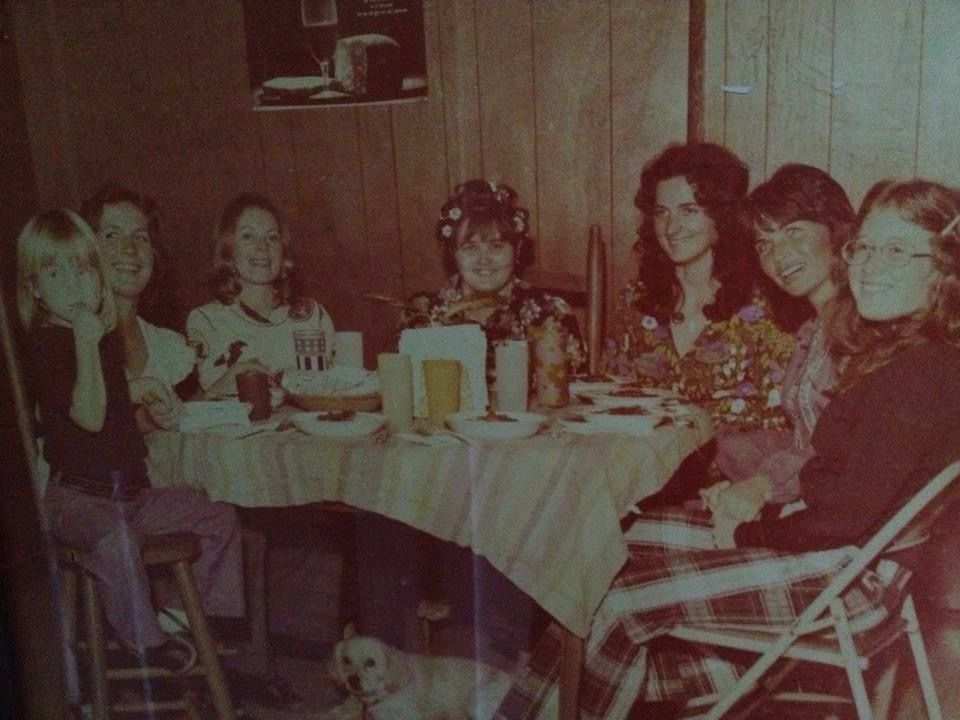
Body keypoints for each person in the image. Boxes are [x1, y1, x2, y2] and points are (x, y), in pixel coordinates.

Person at [493, 178, 960, 720]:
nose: (871, 267)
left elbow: (841, 520)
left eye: (898, 251)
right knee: (604, 545)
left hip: (850, 580)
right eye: (867, 248)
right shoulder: (897, 351)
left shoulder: (918, 374)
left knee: (618, 601)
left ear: (944, 269)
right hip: (839, 553)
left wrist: (747, 533)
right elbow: (840, 493)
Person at [15, 209, 245, 673]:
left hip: (131, 496)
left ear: (98, 276)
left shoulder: (98, 339)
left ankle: (183, 617)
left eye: (82, 269)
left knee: (216, 514)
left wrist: (143, 389)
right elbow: (88, 414)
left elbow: (110, 394)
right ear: (35, 289)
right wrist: (86, 341)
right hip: (76, 500)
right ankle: (145, 641)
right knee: (115, 541)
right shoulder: (49, 344)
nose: (73, 285)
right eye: (55, 273)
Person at [603, 142, 794, 431]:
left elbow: (781, 423)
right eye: (661, 212)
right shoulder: (635, 301)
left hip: (741, 458)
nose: (671, 228)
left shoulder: (763, 307)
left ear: (722, 216)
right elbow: (610, 401)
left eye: (688, 210)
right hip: (649, 456)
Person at [707, 164, 855, 519]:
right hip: (810, 504)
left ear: (835, 230)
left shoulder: (859, 330)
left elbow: (843, 452)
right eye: (765, 244)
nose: (779, 255)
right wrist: (730, 461)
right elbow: (804, 439)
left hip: (840, 525)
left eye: (793, 232)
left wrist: (762, 484)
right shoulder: (811, 330)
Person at [400, 179, 586, 373]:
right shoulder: (421, 316)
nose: (484, 260)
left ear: (517, 250)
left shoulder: (550, 314)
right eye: (470, 248)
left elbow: (572, 387)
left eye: (496, 247)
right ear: (453, 253)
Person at [186, 193, 335, 396]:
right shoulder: (206, 321)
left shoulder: (312, 316)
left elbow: (341, 389)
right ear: (228, 250)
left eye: (272, 237)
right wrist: (223, 385)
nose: (263, 246)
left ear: (283, 252)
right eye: (248, 236)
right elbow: (195, 405)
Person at [80, 183, 195, 424]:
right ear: (87, 252)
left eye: (140, 237)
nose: (129, 249)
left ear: (155, 254)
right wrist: (147, 421)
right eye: (112, 235)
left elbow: (185, 418)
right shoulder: (75, 341)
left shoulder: (167, 346)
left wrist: (220, 387)